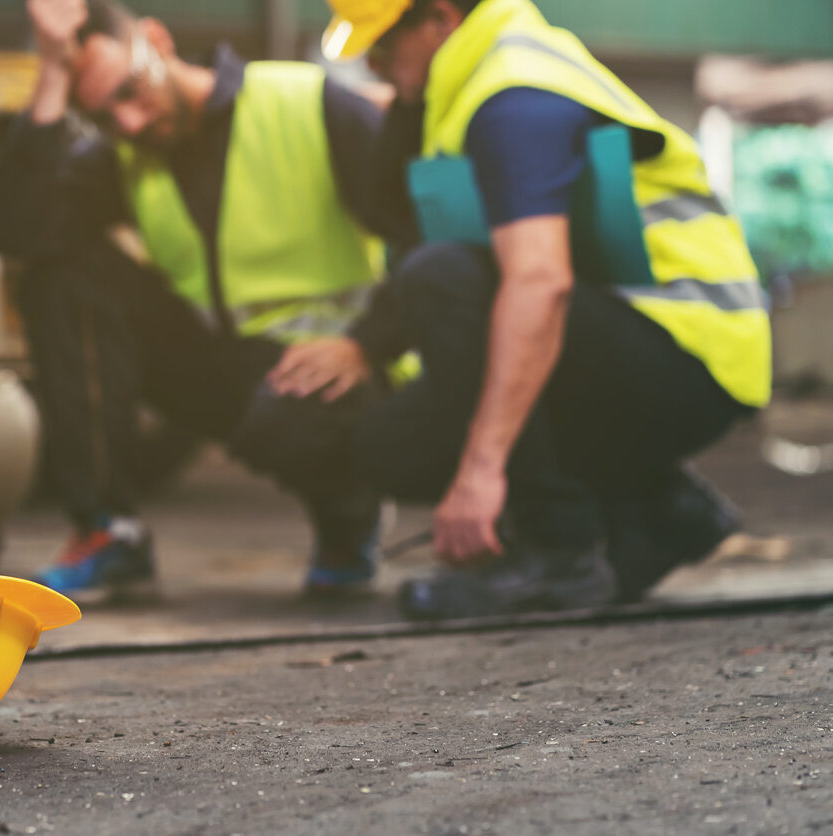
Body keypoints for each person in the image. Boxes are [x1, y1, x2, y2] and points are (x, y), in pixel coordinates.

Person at [321, 0, 771, 618]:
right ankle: (658, 509)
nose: (375, 67)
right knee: (392, 445)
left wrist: (483, 471)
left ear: (442, 20)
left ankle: (554, 550)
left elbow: (540, 283)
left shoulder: (514, 97)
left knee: (442, 277)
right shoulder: (469, 89)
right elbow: (394, 215)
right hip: (627, 343)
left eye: (383, 48)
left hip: (690, 354)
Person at [0, 0, 413, 600]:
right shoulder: (130, 154)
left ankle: (348, 518)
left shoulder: (306, 105)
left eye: (132, 91)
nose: (129, 122)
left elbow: (427, 235)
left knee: (289, 415)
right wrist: (54, 76)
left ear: (157, 42)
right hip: (230, 369)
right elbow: (20, 233)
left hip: (345, 369)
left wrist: (366, 343)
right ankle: (111, 529)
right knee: (61, 277)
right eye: (105, 114)